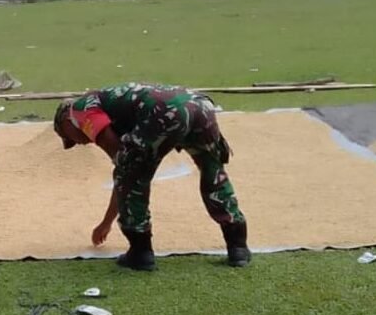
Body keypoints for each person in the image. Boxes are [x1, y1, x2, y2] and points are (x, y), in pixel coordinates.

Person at [53, 84, 251, 272]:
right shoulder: (112, 107)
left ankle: (140, 252)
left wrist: (107, 221)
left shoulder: (79, 110)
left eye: (70, 137)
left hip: (163, 111)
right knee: (213, 172)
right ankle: (238, 247)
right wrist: (107, 223)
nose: (79, 143)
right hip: (199, 105)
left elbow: (124, 168)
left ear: (66, 121)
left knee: (131, 175)